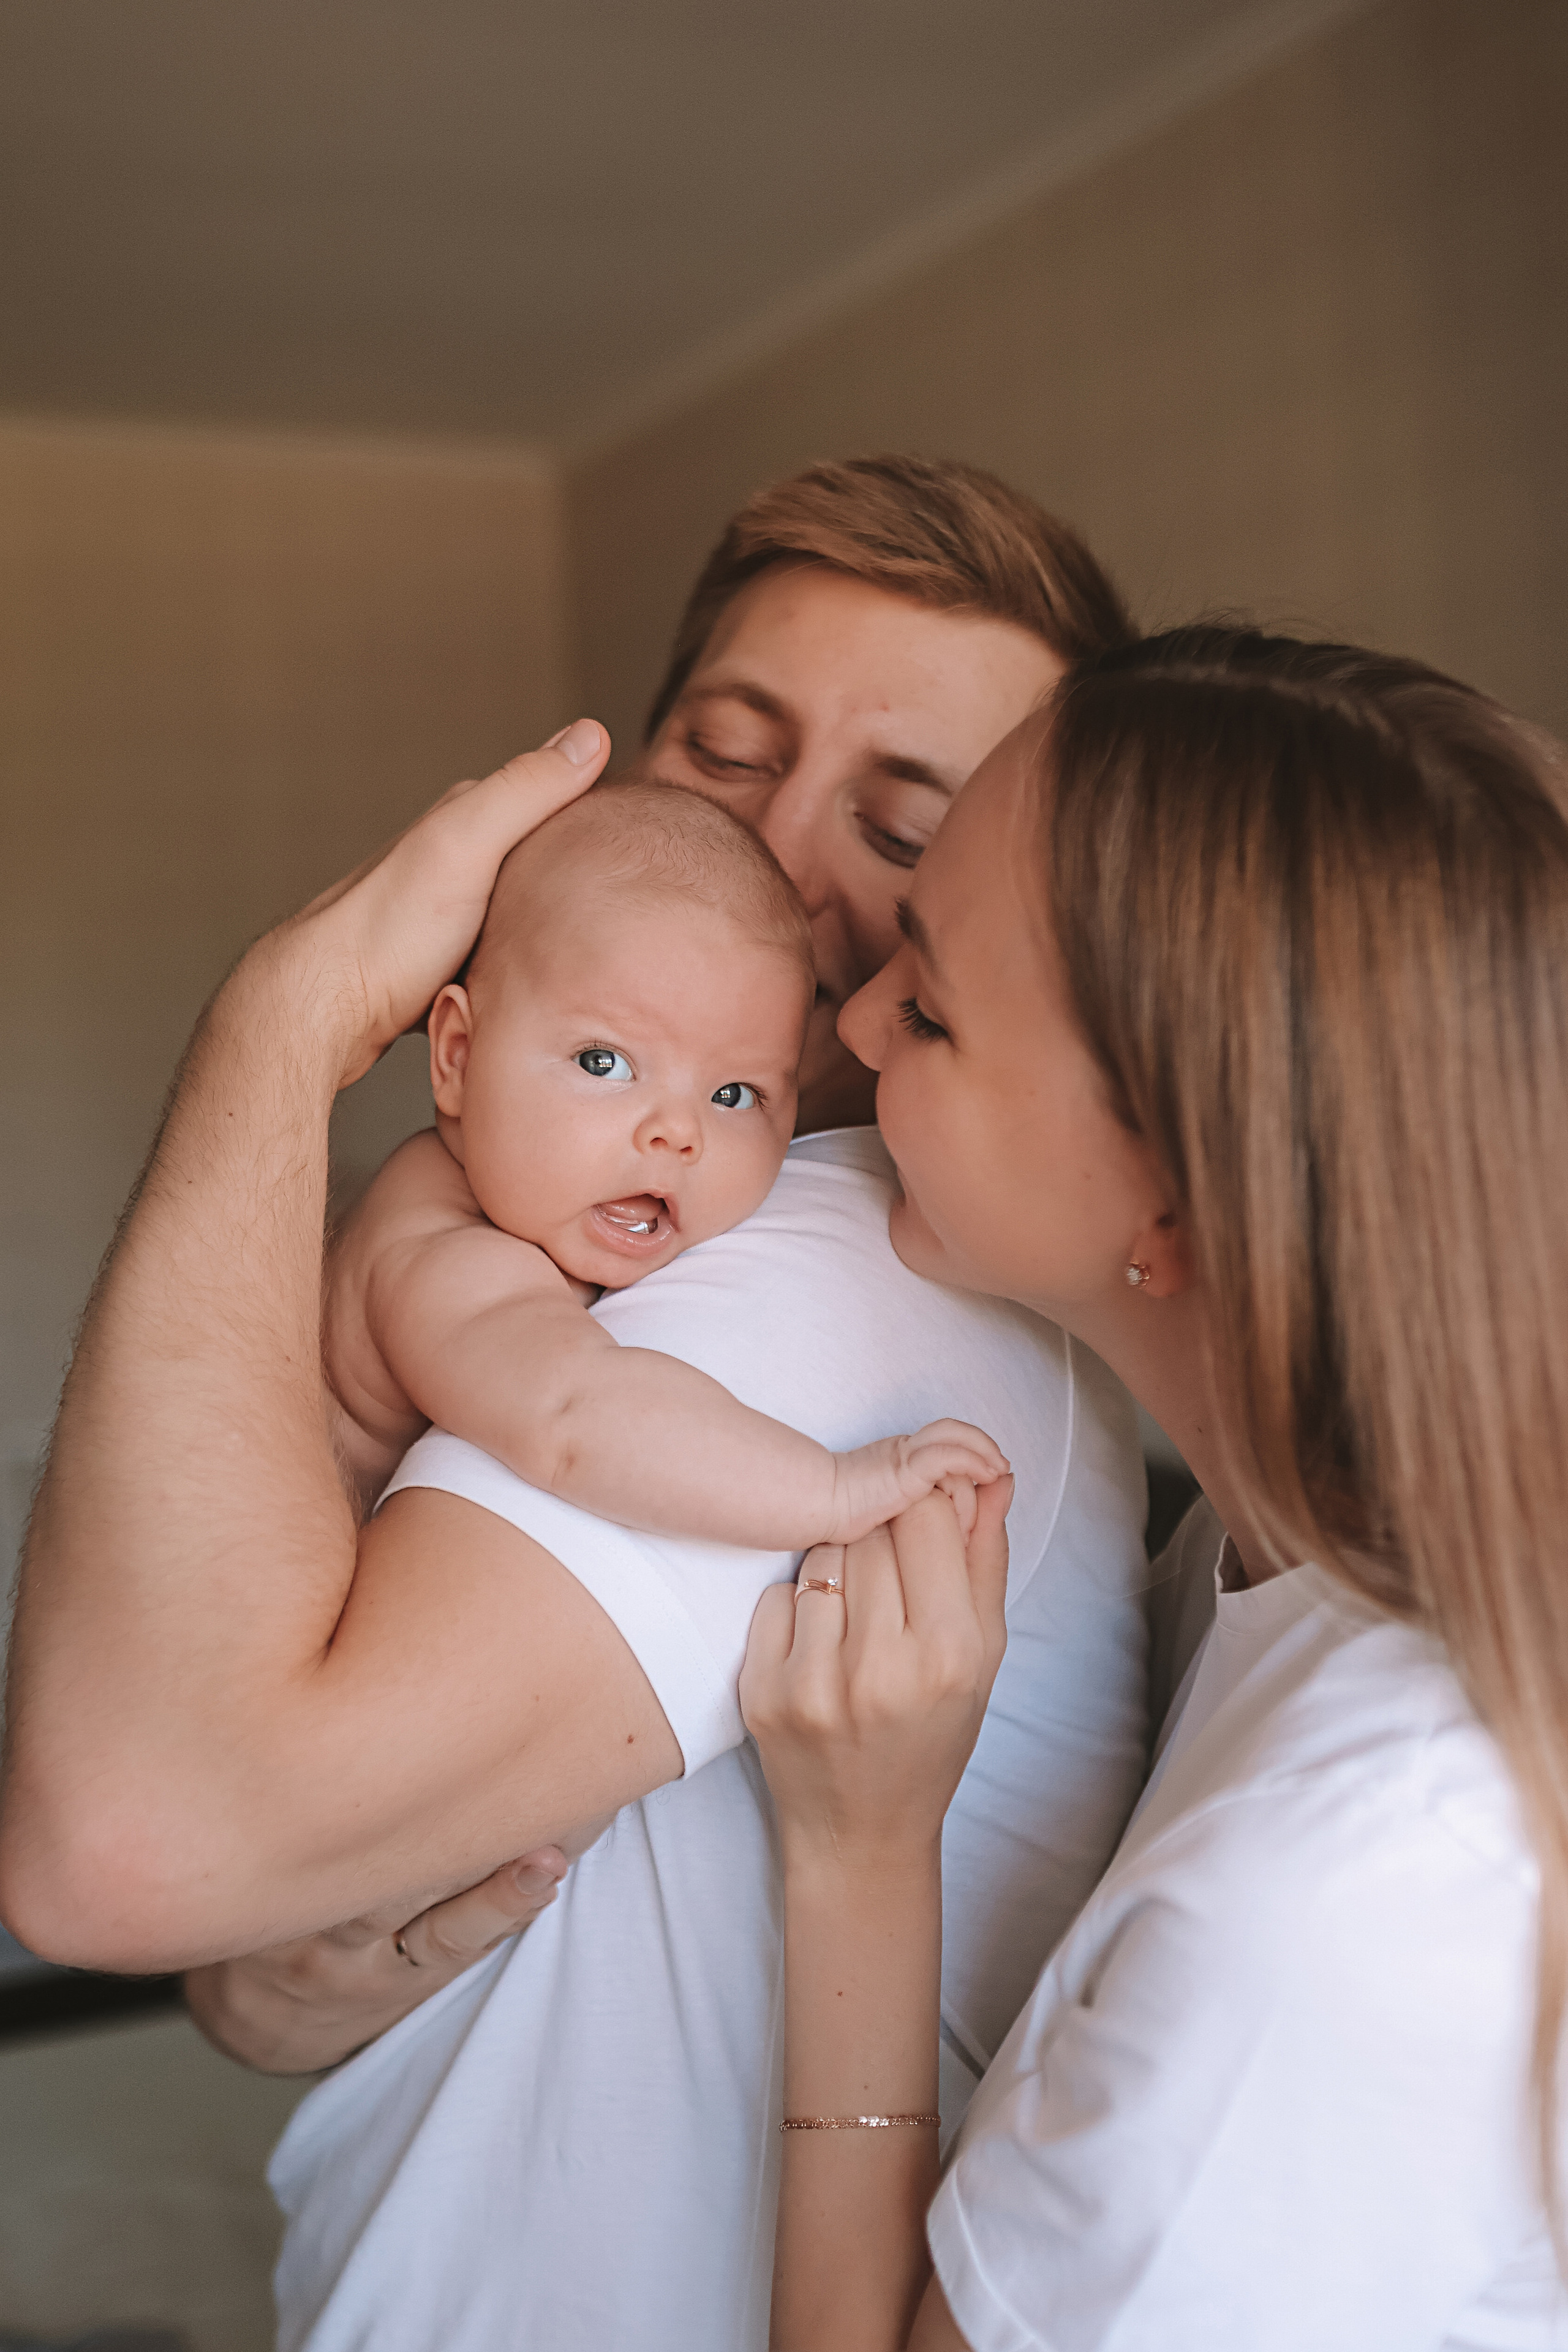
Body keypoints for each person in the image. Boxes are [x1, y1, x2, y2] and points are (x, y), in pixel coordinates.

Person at [0, 460, 1153, 2350]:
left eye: (902, 819)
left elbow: (116, 1845)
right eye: (728, 752)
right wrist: (291, 1965)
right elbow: (244, 1918)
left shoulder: (847, 1258)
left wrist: (281, 1023)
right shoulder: (554, 1242)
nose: (777, 858)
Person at [743, 627, 1568, 2350]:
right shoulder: (1246, 1562)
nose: (857, 1018)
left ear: (1177, 1209)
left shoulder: (1347, 1901)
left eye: (932, 1008)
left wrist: (859, 1855)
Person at [326, 775, 1005, 1538]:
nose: (679, 1133)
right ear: (457, 1055)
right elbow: (573, 1417)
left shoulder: (542, 1204)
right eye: (604, 1063)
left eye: (733, 1095)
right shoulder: (438, 1251)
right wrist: (837, 1490)